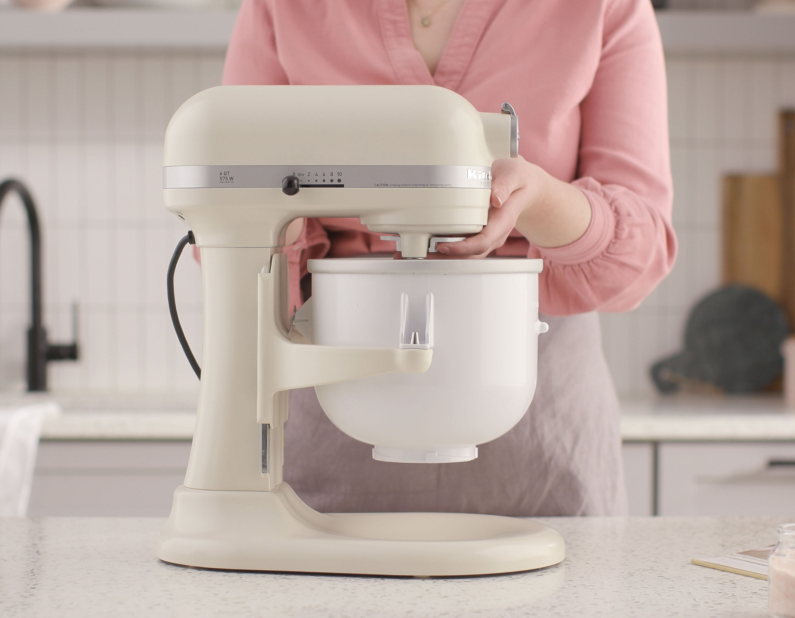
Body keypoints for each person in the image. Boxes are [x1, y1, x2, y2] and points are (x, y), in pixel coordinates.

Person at [222, 0, 677, 516]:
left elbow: (638, 257)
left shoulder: (602, 8)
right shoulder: (282, 8)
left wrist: (542, 199)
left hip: (539, 444)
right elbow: (235, 222)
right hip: (330, 427)